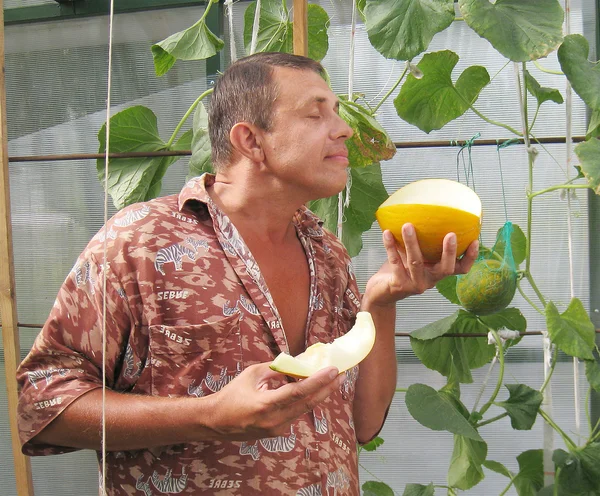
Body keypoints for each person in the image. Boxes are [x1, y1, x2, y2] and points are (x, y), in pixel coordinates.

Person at [16, 52, 478, 495]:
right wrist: (210, 415)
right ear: (250, 140)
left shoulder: (327, 253)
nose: (343, 130)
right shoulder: (139, 242)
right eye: (317, 115)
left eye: (337, 113)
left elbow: (363, 421)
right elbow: (42, 404)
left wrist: (381, 300)